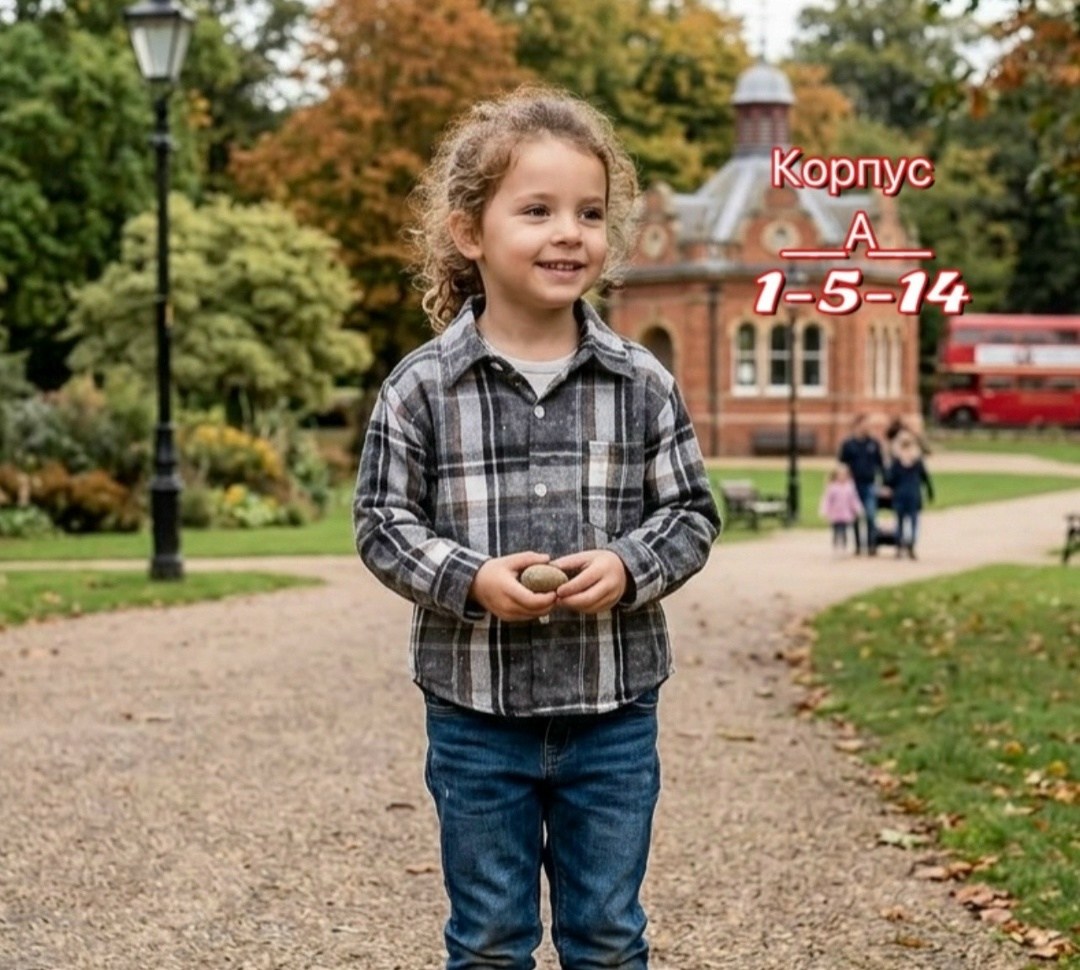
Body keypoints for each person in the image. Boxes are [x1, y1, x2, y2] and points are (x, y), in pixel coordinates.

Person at [353, 86, 721, 970]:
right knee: (487, 938)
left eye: (590, 213)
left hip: (612, 714)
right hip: (477, 716)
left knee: (606, 933)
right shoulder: (421, 387)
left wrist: (630, 567)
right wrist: (468, 578)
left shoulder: (641, 380)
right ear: (470, 232)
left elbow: (690, 514)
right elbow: (380, 521)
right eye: (539, 210)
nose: (570, 233)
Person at [837, 414, 885, 555]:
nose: (868, 427)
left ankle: (872, 544)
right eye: (865, 424)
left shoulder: (874, 444)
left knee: (871, 515)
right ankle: (858, 545)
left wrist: (884, 482)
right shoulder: (848, 445)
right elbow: (841, 464)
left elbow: (880, 464)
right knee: (856, 517)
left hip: (869, 483)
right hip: (853, 485)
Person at [885, 429, 934, 558]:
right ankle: (899, 546)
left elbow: (925, 478)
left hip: (913, 495)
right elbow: (889, 479)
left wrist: (930, 492)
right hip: (900, 495)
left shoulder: (917, 462)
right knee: (899, 522)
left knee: (913, 521)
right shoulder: (896, 463)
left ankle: (911, 545)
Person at [818, 463, 863, 555]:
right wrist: (824, 510)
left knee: (844, 530)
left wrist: (858, 509)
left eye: (844, 475)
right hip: (835, 514)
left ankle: (843, 546)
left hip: (845, 514)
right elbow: (827, 500)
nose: (842, 477)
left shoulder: (850, 487)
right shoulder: (832, 487)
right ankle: (836, 545)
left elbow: (853, 499)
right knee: (836, 530)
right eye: (840, 475)